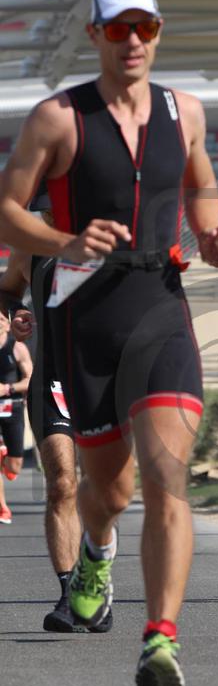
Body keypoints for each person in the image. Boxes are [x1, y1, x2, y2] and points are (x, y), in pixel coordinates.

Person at [0, 0, 218, 686]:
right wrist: (66, 239)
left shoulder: (184, 111)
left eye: (144, 27)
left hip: (160, 307)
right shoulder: (58, 118)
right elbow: (8, 212)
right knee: (108, 491)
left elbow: (201, 188)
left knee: (167, 475)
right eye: (117, 28)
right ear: (95, 35)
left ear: (158, 32)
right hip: (85, 319)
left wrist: (212, 234)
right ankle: (95, 557)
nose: (132, 40)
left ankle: (159, 639)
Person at [0, 195, 112, 633]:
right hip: (52, 377)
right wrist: (17, 313)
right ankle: (69, 594)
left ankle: (96, 580)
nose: (52, 213)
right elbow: (8, 290)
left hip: (102, 379)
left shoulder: (108, 241)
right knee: (62, 483)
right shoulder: (31, 246)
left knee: (102, 490)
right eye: (45, 207)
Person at [0, 309, 32, 524]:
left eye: (1, 318)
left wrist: (7, 388)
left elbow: (30, 378)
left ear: (7, 323)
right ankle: (3, 508)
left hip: (12, 408)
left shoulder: (17, 347)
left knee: (14, 467)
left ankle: (6, 459)